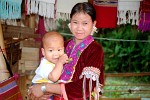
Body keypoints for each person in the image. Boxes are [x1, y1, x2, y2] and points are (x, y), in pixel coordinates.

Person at [28, 2, 104, 100]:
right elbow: (46, 69)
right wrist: (39, 91)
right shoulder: (63, 45)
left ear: (93, 24)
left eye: (85, 23)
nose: (79, 28)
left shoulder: (95, 50)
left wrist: (45, 87)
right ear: (70, 22)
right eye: (75, 22)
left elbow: (86, 87)